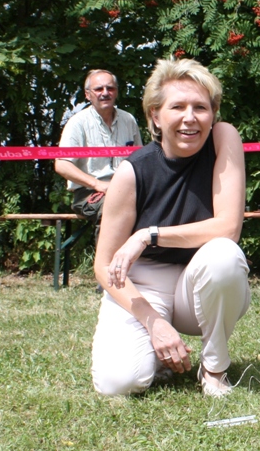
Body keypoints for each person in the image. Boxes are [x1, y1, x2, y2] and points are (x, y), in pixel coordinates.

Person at [91, 58, 251, 397]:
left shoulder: (224, 138)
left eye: (201, 107)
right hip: (144, 284)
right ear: (155, 116)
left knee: (225, 254)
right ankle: (157, 355)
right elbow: (104, 266)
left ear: (213, 113)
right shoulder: (131, 172)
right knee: (118, 384)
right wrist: (154, 322)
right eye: (177, 106)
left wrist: (147, 234)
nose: (190, 117)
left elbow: (228, 227)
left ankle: (214, 370)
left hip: (201, 279)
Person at [55, 69, 142, 235]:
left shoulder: (128, 120)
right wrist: (97, 184)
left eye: (110, 88)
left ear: (116, 92)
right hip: (88, 193)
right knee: (113, 209)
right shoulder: (77, 123)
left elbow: (139, 159)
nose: (105, 93)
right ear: (88, 95)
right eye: (99, 89)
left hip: (126, 190)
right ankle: (107, 261)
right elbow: (61, 165)